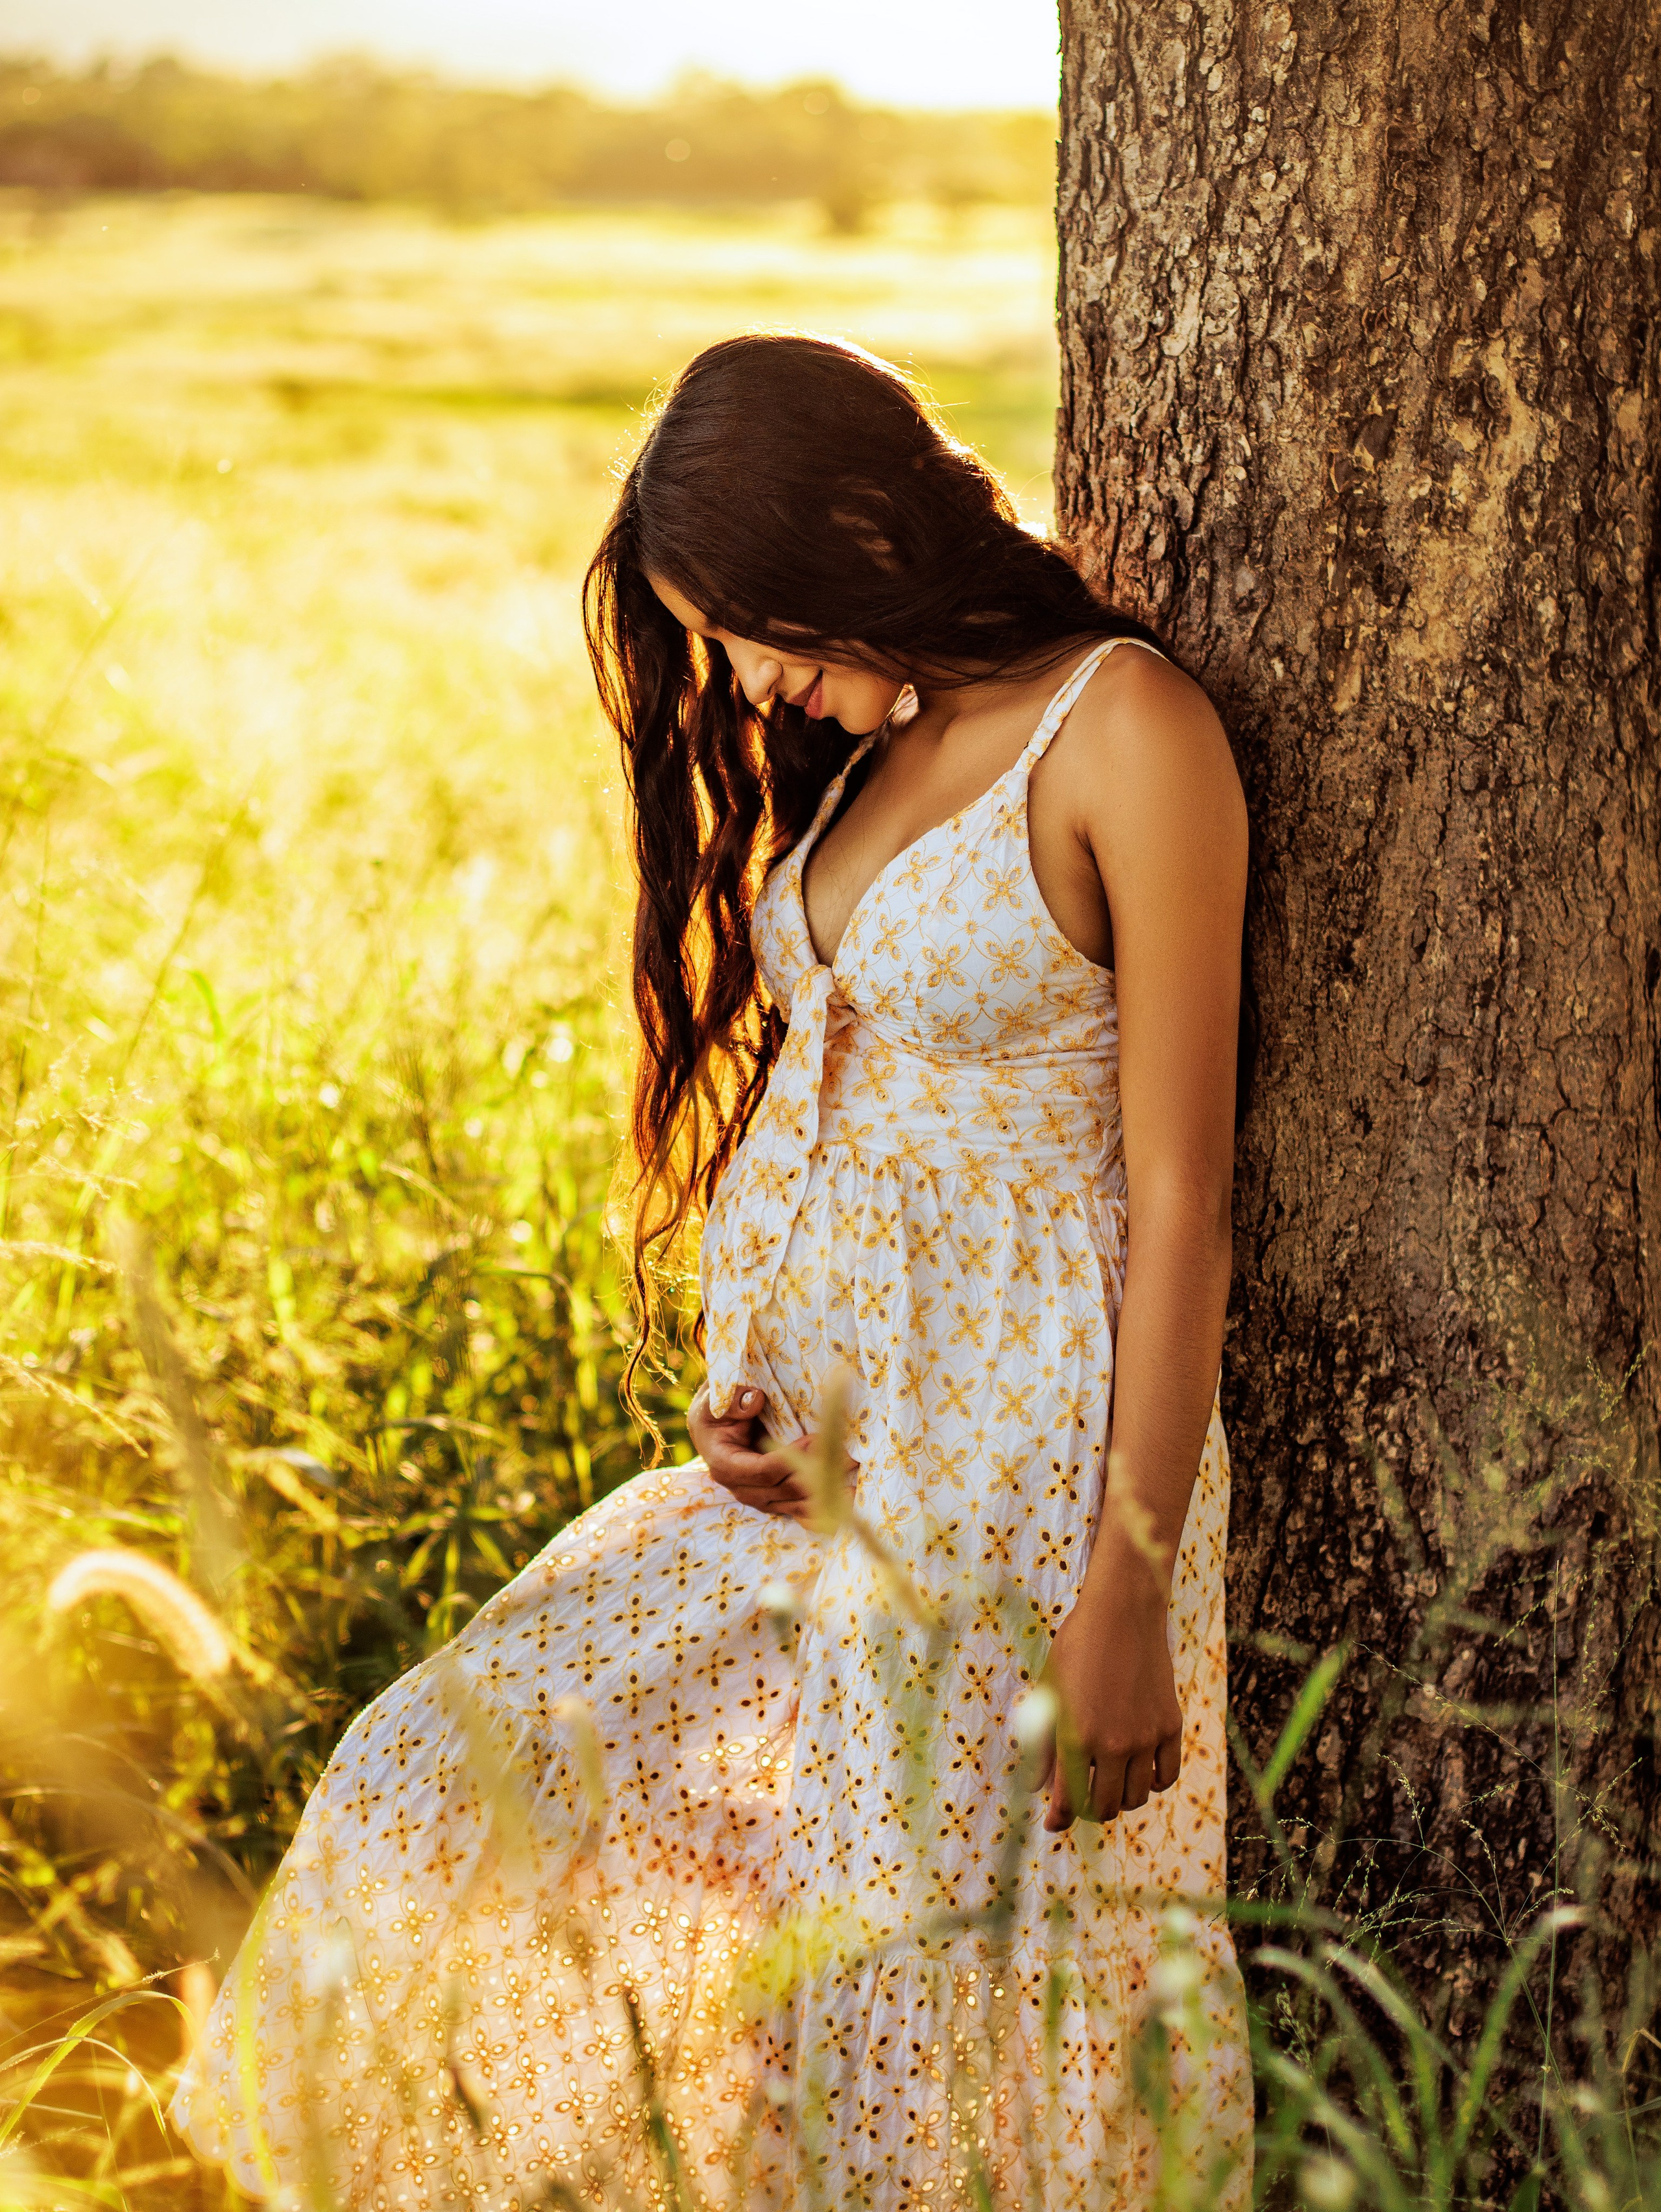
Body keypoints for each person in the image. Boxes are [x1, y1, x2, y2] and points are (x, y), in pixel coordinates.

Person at [171, 333, 1253, 2210]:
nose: (751, 681)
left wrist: (1132, 1591)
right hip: (810, 1490)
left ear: (854, 515)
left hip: (1021, 1488)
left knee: (946, 2004)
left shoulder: (1124, 730)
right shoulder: (883, 749)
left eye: (749, 622)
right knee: (442, 1780)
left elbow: (1180, 1203)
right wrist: (751, 1387)